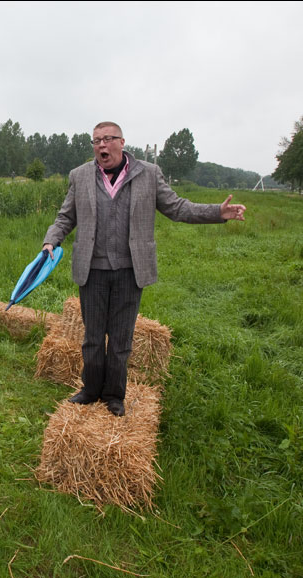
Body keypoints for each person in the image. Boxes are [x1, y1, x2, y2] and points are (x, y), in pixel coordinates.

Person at [41, 121, 247, 417]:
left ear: (122, 142)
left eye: (108, 139)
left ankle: (114, 395)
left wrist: (218, 212)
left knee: (121, 340)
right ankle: (90, 390)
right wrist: (51, 241)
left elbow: (178, 208)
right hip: (93, 270)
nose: (102, 145)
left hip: (130, 270)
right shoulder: (80, 176)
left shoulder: (148, 174)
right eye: (96, 140)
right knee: (93, 338)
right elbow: (65, 217)